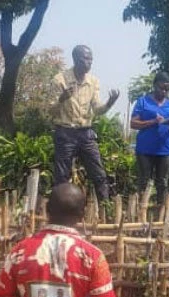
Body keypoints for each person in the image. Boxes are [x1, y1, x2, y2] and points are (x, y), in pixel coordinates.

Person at [52, 45, 121, 200]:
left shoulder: (93, 81)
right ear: (76, 59)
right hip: (65, 132)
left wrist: (110, 102)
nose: (89, 62)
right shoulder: (60, 79)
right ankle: (60, 212)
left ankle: (105, 208)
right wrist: (61, 99)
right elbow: (50, 111)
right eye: (86, 58)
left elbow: (97, 109)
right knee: (62, 176)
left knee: (99, 174)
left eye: (91, 59)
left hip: (86, 133)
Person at [130, 71, 169, 210]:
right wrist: (153, 121)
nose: (163, 91)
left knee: (162, 182)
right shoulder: (143, 101)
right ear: (154, 85)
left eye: (167, 89)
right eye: (161, 88)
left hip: (166, 150)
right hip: (145, 150)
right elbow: (133, 123)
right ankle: (141, 211)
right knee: (144, 180)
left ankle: (161, 211)